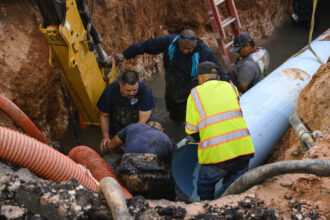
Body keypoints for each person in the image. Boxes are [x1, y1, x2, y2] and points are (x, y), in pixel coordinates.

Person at [114, 29, 229, 121]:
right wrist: (125, 54)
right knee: (174, 116)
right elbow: (146, 45)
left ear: (195, 43)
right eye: (182, 47)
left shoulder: (204, 52)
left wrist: (230, 87)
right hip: (172, 87)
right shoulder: (169, 42)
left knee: (192, 117)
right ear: (178, 41)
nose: (185, 51)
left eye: (188, 49)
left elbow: (217, 70)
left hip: (191, 89)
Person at [185, 61, 255, 200]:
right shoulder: (231, 87)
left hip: (217, 153)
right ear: (217, 77)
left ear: (201, 78)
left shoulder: (195, 94)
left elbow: (192, 131)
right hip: (243, 148)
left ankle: (207, 210)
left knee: (205, 185)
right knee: (234, 188)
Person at [101, 116, 175, 199]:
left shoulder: (133, 126)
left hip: (127, 175)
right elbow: (167, 166)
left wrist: (125, 152)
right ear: (162, 130)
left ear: (145, 125)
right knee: (170, 188)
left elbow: (112, 146)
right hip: (153, 182)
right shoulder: (166, 139)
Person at [97, 70, 155, 150]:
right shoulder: (110, 91)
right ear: (120, 84)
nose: (132, 93)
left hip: (138, 127)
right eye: (128, 90)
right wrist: (105, 136)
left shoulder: (145, 91)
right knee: (106, 148)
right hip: (116, 127)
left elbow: (142, 122)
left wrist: (127, 140)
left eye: (135, 90)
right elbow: (104, 115)